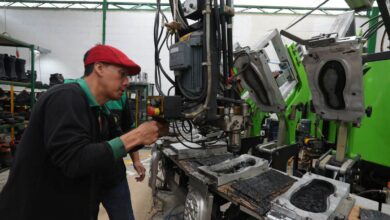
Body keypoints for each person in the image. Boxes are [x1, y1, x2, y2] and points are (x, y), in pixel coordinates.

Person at [0, 44, 167, 220]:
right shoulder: (65, 97)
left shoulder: (100, 110)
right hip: (35, 209)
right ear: (99, 68)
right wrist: (137, 135)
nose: (127, 82)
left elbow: (115, 140)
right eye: (122, 74)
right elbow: (75, 159)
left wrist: (155, 130)